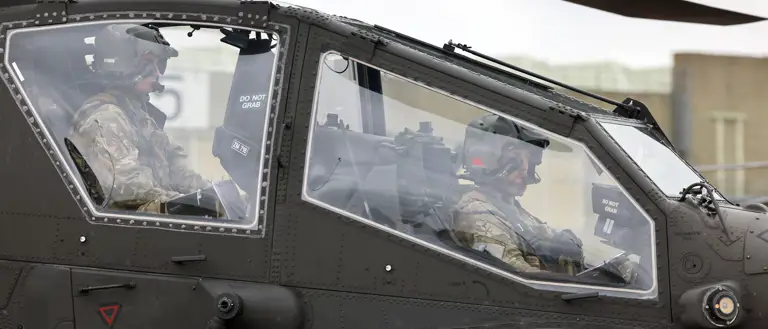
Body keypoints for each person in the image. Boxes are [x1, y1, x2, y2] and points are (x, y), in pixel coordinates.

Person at [451, 113, 637, 283]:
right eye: (515, 161)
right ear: (486, 159)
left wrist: (571, 247)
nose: (525, 170)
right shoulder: (477, 214)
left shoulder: (509, 208)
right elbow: (521, 278)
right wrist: (590, 284)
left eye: (530, 161)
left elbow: (547, 237)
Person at [67, 23, 211, 214]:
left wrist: (214, 197)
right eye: (148, 63)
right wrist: (188, 207)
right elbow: (130, 190)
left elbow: (179, 171)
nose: (157, 73)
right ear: (121, 63)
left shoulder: (137, 115)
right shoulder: (108, 118)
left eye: (159, 64)